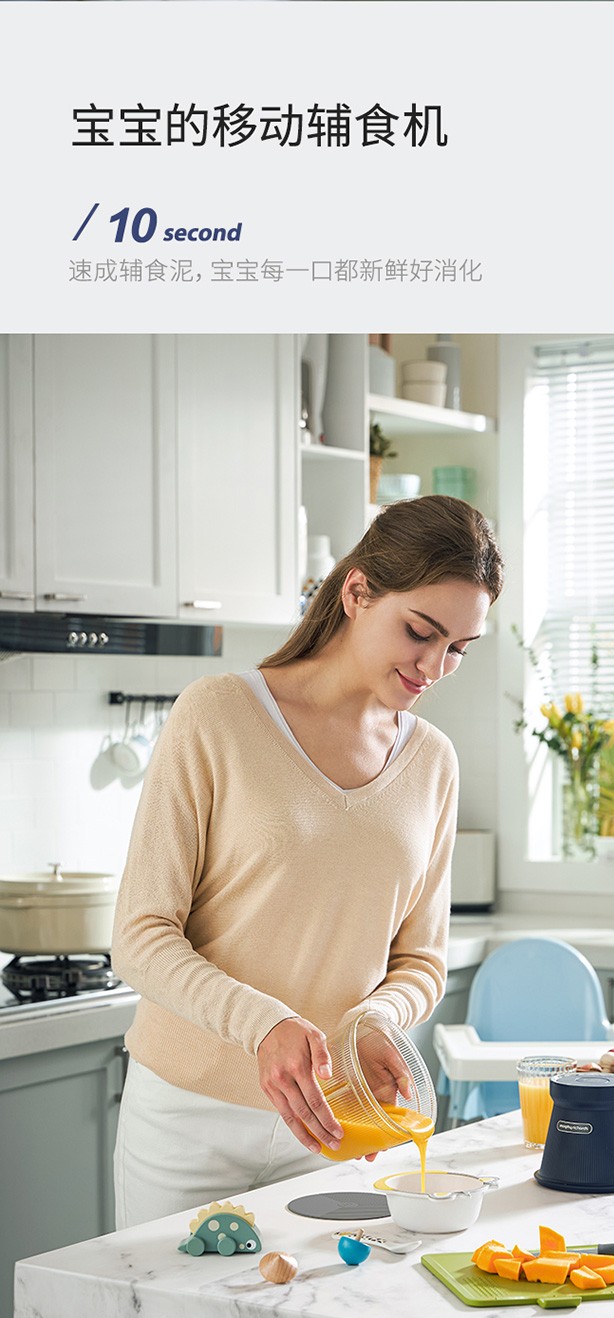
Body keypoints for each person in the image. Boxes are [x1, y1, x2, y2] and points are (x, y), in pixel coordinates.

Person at [111, 495, 504, 1229]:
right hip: (189, 1122)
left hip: (343, 1126)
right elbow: (140, 935)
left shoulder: (433, 762)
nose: (435, 666)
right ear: (357, 592)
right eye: (420, 631)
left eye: (457, 646)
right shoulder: (218, 715)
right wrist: (264, 1025)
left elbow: (421, 959)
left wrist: (377, 1019)